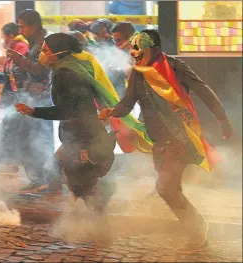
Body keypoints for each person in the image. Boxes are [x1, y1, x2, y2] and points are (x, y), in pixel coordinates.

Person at [99, 30, 233, 253]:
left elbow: (203, 91)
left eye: (140, 47)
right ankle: (195, 231)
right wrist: (112, 111)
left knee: (165, 188)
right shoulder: (137, 73)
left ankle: (198, 231)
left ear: (155, 49)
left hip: (179, 138)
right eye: (133, 47)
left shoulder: (175, 67)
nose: (134, 52)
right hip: (158, 141)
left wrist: (223, 121)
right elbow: (127, 104)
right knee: (170, 189)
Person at [15, 33, 116, 212]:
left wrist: (34, 111)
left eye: (45, 50)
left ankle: (100, 221)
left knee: (79, 180)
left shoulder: (64, 73)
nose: (41, 53)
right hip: (82, 132)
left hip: (82, 135)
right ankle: (90, 214)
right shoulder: (70, 67)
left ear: (58, 52)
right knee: (68, 172)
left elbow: (67, 110)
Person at [5, 10, 56, 194]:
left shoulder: (45, 43)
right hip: (32, 97)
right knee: (30, 138)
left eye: (22, 26)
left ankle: (42, 179)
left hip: (41, 98)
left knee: (36, 139)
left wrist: (19, 60)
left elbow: (42, 71)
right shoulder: (35, 43)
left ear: (33, 26)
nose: (20, 30)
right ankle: (42, 179)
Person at [0, 22, 29, 106]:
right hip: (13, 92)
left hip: (18, 93)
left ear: (10, 36)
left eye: (3, 37)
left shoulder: (21, 47)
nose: (2, 40)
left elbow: (19, 71)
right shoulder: (12, 47)